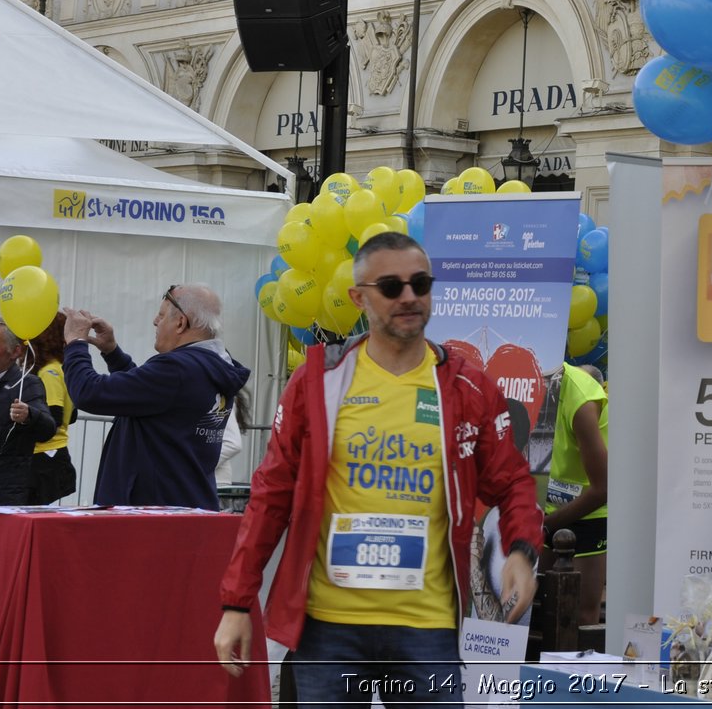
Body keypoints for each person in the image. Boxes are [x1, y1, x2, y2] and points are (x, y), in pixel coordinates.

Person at [213, 232, 544, 705]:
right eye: (391, 287)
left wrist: (520, 550)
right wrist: (236, 602)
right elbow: (271, 494)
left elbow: (511, 479)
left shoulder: (468, 387)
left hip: (426, 628)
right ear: (359, 297)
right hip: (330, 628)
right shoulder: (319, 381)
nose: (409, 297)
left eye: (421, 283)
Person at [62, 284, 249, 509]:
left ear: (180, 322)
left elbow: (89, 392)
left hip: (150, 515)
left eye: (161, 315)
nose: (155, 321)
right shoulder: (213, 366)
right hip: (184, 505)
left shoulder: (178, 369)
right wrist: (113, 353)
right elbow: (145, 396)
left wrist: (75, 344)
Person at [543, 362, 609, 628]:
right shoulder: (520, 384)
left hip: (589, 511)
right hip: (545, 508)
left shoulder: (581, 399)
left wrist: (545, 526)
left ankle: (576, 670)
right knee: (538, 608)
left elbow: (603, 489)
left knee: (580, 615)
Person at [0, 319, 55, 504]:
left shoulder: (27, 385)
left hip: (0, 497)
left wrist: (29, 415)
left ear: (15, 351)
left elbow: (48, 428)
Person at [24, 312, 77, 505]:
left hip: (45, 456)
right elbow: (71, 416)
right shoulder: (61, 369)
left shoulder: (49, 372)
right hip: (52, 455)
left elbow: (54, 416)